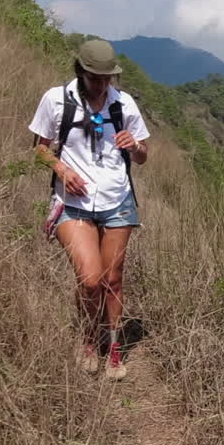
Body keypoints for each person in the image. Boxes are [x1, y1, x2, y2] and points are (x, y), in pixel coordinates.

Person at [29, 38, 149, 380]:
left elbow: (143, 156)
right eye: (95, 78)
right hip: (73, 203)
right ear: (81, 71)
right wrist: (62, 170)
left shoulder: (123, 104)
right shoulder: (56, 100)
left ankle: (113, 349)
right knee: (91, 279)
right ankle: (88, 339)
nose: (101, 85)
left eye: (107, 78)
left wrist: (134, 145)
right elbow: (39, 148)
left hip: (117, 200)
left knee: (113, 279)